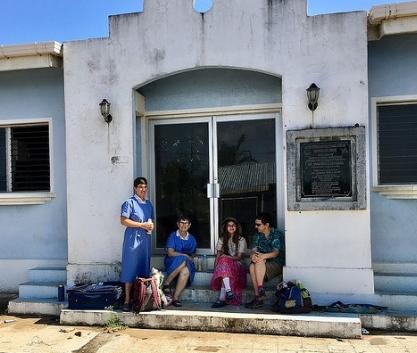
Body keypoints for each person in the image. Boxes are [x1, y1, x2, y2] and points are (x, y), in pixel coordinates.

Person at [120, 177, 154, 312]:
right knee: (129, 268)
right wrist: (141, 225)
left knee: (143, 268)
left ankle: (140, 299)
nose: (143, 190)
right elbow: (123, 220)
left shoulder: (149, 204)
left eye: (145, 187)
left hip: (145, 239)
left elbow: (151, 221)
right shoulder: (129, 203)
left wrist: (150, 226)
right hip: (132, 238)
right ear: (135, 188)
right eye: (140, 187)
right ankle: (127, 300)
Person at [245, 212, 285, 309]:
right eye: (255, 224)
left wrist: (262, 256)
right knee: (252, 265)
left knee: (258, 261)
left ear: (266, 225)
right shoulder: (257, 236)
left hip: (276, 263)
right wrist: (253, 256)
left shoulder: (276, 234)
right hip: (262, 263)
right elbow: (253, 251)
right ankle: (260, 291)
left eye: (258, 224)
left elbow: (275, 253)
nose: (256, 226)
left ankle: (258, 297)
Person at [210, 217, 247, 308]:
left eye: (233, 225)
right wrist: (216, 268)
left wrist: (226, 257)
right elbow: (218, 255)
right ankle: (227, 293)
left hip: (238, 265)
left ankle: (223, 296)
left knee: (223, 261)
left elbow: (238, 257)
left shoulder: (241, 240)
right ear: (225, 228)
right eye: (229, 225)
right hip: (225, 267)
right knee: (222, 263)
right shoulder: (222, 239)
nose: (231, 227)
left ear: (237, 227)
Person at [163, 215, 197, 307]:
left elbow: (192, 254)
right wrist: (185, 255)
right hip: (172, 262)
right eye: (182, 222)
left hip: (186, 264)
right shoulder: (173, 236)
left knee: (186, 270)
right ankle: (167, 282)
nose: (184, 225)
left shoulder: (192, 239)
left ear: (189, 225)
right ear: (178, 224)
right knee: (184, 259)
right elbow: (170, 253)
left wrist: (187, 257)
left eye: (186, 223)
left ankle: (175, 297)